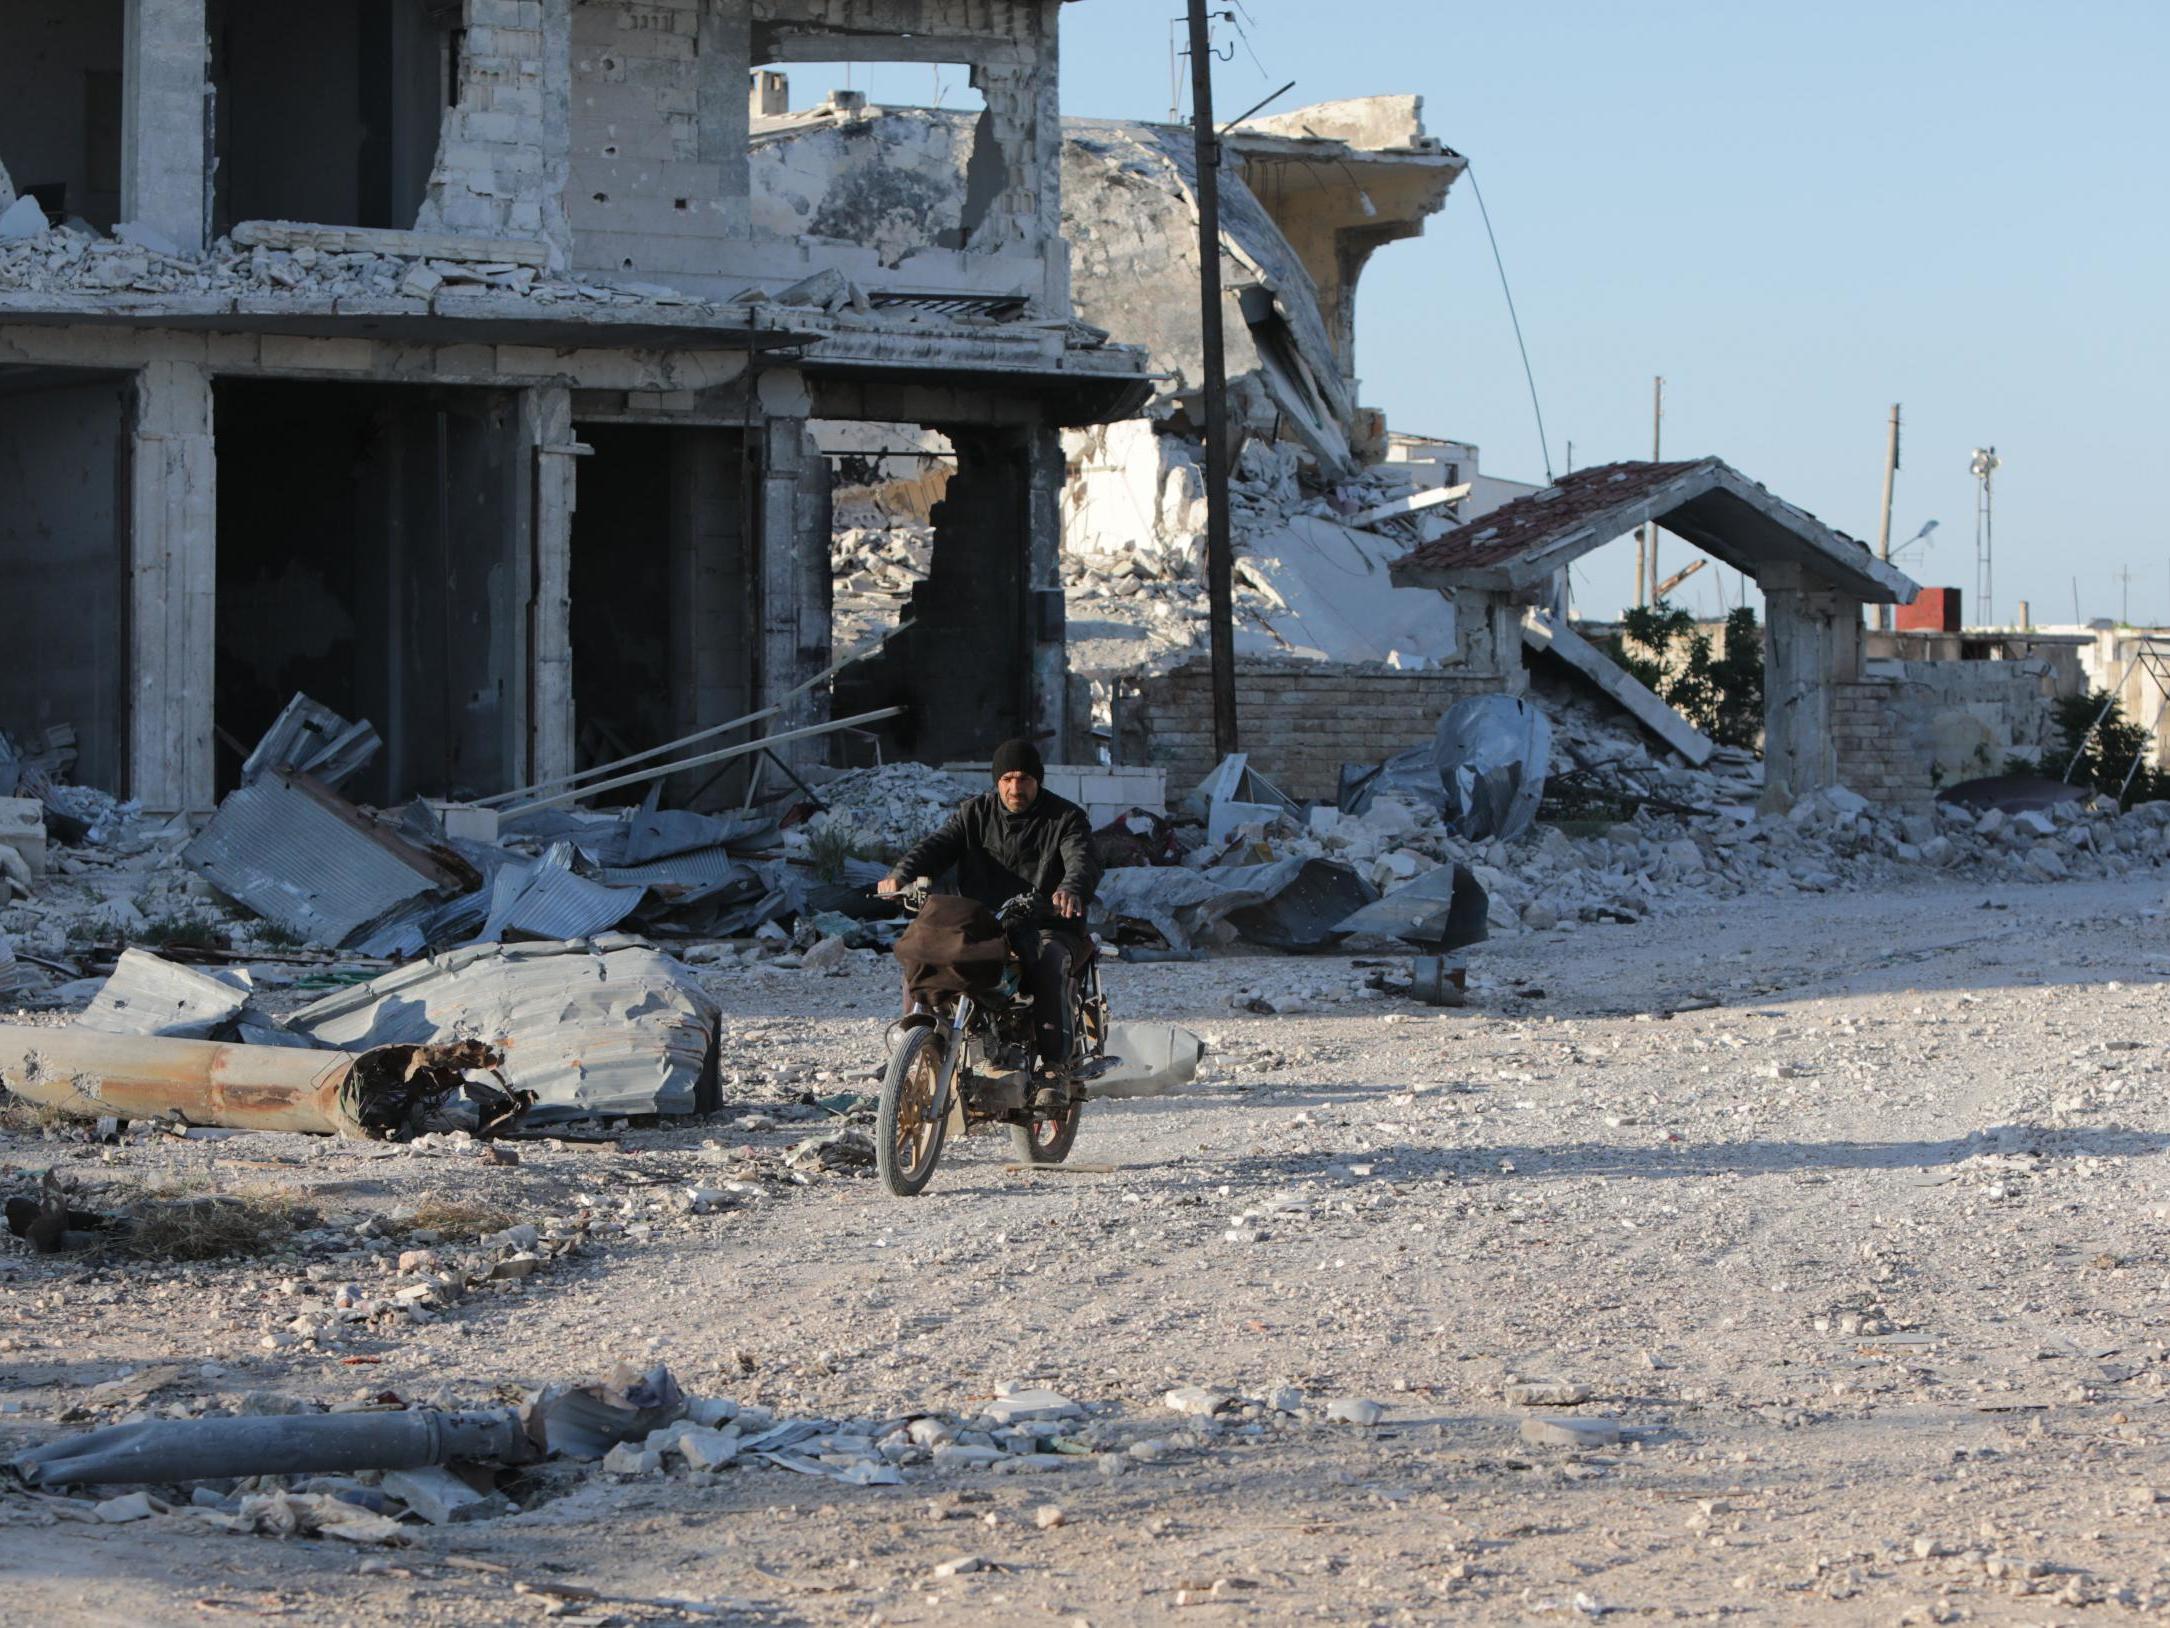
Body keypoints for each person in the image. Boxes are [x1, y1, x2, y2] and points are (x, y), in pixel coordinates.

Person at [879, 739, 1100, 1109]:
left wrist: (1070, 888)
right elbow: (937, 845)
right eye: (1009, 779)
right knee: (925, 953)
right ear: (997, 780)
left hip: (1048, 921)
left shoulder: (1066, 818)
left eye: (1025, 779)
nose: (1016, 788)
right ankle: (917, 1042)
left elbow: (1083, 858)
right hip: (985, 924)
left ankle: (1054, 1069)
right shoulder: (974, 814)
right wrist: (902, 874)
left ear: (1038, 780)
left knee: (1047, 963)